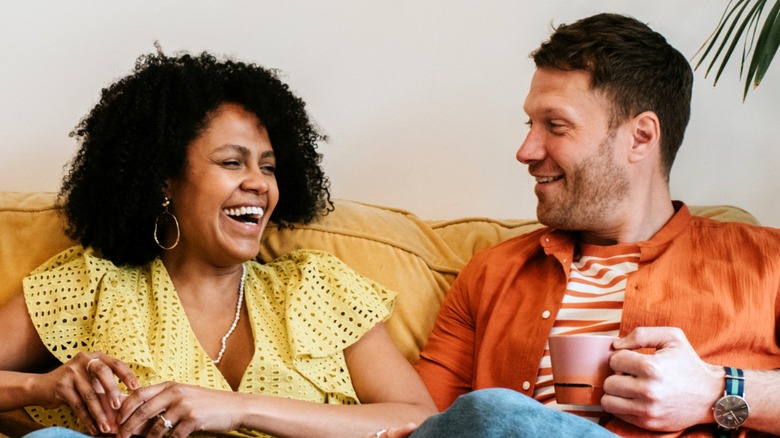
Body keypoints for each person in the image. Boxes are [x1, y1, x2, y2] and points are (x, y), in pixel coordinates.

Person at [376, 12, 780, 438]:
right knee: (489, 412)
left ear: (641, 137)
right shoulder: (491, 275)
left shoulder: (767, 262)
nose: (526, 151)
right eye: (530, 125)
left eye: (555, 126)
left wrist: (717, 390)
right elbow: (425, 423)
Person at [0, 50, 436, 438]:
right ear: (164, 180)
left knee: (480, 411)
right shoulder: (90, 284)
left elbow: (422, 420)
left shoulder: (316, 286)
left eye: (268, 167)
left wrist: (240, 408)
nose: (259, 183)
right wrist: (41, 385)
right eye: (232, 162)